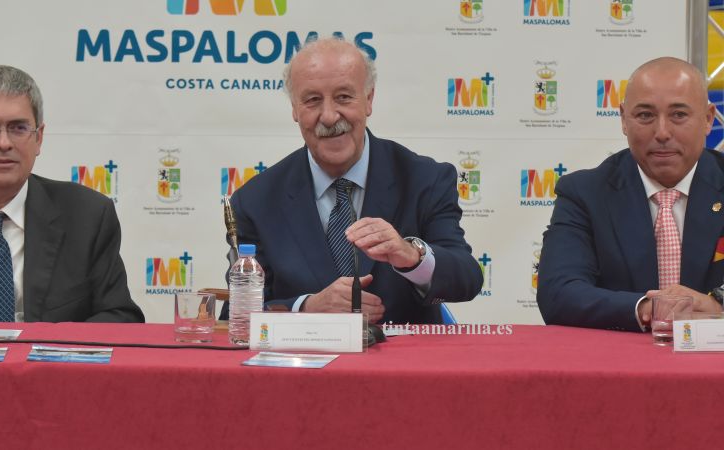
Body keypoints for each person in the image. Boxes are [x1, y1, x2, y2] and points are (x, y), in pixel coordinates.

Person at [224, 38, 483, 324]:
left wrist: (411, 255)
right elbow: (237, 313)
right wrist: (306, 308)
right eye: (312, 100)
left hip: (403, 352)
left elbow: (467, 279)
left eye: (344, 97)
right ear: (295, 109)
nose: (329, 116)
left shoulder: (425, 179)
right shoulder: (256, 200)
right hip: (303, 354)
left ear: (369, 99)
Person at [0, 65, 144, 323]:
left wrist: (50, 343)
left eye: (18, 128)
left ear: (38, 138)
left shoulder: (87, 215)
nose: (4, 143)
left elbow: (121, 317)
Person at [537, 57, 724, 331]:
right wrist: (649, 309)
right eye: (645, 115)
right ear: (624, 119)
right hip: (621, 354)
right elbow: (558, 293)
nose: (662, 132)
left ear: (707, 119)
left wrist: (718, 304)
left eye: (678, 115)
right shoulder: (585, 193)